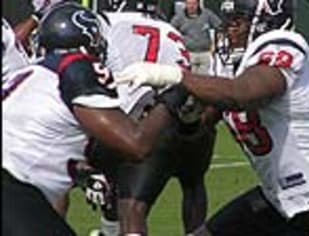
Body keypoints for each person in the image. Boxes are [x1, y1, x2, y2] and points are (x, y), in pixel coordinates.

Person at [113, 0, 309, 235]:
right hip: (280, 198)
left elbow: (244, 95)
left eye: (238, 21)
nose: (230, 29)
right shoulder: (230, 61)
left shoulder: (286, 45)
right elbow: (202, 122)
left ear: (266, 21)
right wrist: (183, 114)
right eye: (228, 20)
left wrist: (175, 76)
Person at [2, 2, 190, 235]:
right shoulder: (76, 68)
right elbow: (136, 144)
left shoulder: (29, 75)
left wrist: (82, 172)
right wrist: (174, 94)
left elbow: (34, 141)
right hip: (14, 193)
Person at [84, 1, 217, 235]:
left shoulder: (107, 23)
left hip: (143, 120)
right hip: (185, 117)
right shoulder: (170, 30)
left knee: (131, 206)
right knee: (193, 184)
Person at [170, 0, 222, 75]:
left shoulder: (207, 14)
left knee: (203, 80)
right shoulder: (179, 17)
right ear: (185, 4)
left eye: (194, 3)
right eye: (189, 3)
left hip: (205, 53)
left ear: (198, 4)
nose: (191, 6)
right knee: (190, 80)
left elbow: (219, 27)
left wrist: (216, 44)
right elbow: (171, 31)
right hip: (188, 54)